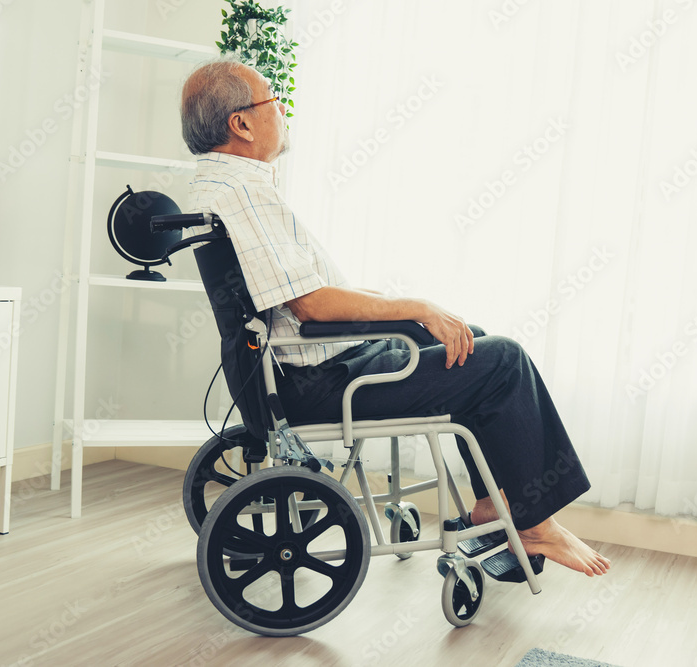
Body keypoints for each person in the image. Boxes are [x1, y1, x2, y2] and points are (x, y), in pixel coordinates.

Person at [180, 59, 611, 577]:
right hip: (320, 383)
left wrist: (380, 303)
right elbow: (310, 306)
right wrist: (412, 307)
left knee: (470, 341)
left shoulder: (220, 186)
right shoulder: (245, 193)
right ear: (241, 124)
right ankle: (533, 523)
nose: (283, 111)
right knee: (504, 361)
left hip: (309, 367)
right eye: (273, 102)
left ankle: (497, 505)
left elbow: (294, 294)